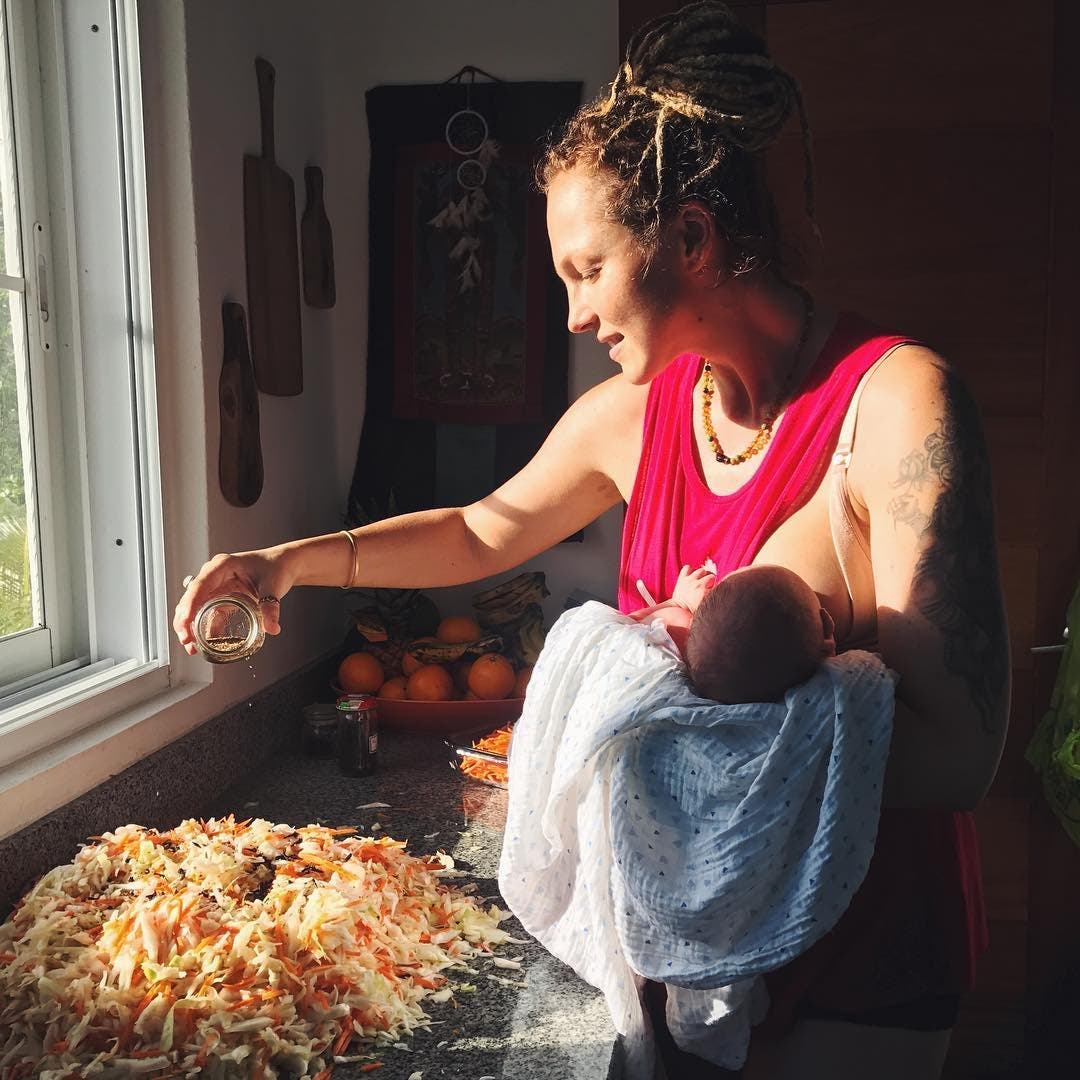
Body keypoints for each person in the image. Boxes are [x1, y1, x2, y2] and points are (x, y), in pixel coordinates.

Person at [174, 3, 1010, 1075]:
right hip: (680, 945)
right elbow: (484, 529)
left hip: (865, 957)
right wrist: (287, 561)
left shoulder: (897, 406)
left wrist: (667, 745)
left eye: (586, 270)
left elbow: (959, 756)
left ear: (694, 241)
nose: (571, 314)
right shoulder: (636, 415)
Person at [631, 561, 837, 704]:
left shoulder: (677, 627)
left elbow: (618, 625)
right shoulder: (824, 698)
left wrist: (678, 602)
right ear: (828, 634)